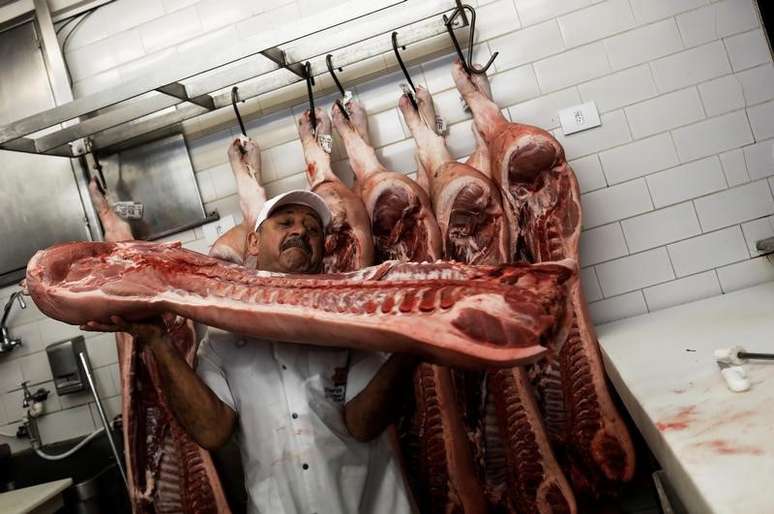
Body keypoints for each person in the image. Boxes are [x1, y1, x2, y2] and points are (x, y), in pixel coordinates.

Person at [82, 189, 416, 514]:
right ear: (254, 243)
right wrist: (158, 341)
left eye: (313, 229)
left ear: (322, 250)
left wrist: (414, 345)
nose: (301, 231)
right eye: (285, 223)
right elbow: (212, 431)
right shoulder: (222, 339)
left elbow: (363, 424)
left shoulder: (348, 322)